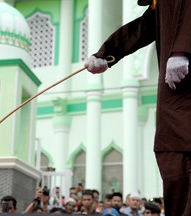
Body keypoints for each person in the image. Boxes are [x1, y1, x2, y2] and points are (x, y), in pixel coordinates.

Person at [84, 1, 191, 215]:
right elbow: (145, 26)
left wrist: (182, 50)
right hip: (174, 100)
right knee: (173, 158)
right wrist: (105, 54)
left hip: (184, 85)